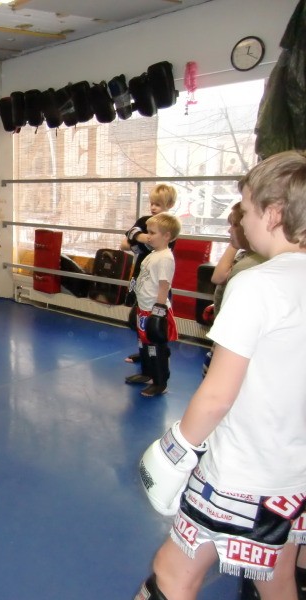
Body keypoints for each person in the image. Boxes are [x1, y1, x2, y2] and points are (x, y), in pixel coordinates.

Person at [135, 151, 306, 600]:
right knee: (276, 578)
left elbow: (217, 395)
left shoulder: (258, 284)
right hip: (293, 473)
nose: (241, 221)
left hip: (241, 473)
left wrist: (174, 451)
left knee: (171, 574)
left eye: (246, 210)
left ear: (273, 214)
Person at [125, 212, 181, 397]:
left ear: (166, 236)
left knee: (156, 348)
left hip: (154, 309)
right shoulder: (153, 254)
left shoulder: (165, 257)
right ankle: (147, 374)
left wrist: (158, 312)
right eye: (147, 232)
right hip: (144, 307)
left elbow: (164, 286)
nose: (148, 236)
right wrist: (138, 305)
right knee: (143, 345)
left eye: (152, 233)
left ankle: (160, 383)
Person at [121, 183, 177, 363]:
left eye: (158, 204)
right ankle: (143, 351)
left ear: (169, 205)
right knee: (137, 318)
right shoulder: (145, 220)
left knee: (156, 322)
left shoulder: (169, 227)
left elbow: (142, 244)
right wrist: (142, 237)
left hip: (156, 280)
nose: (153, 207)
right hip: (140, 275)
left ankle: (161, 352)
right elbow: (124, 242)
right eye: (152, 203)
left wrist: (137, 240)